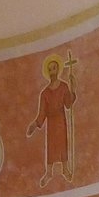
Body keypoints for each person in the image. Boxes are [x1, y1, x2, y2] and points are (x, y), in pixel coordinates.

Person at [26, 52, 76, 187]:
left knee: (62, 144)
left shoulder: (64, 86)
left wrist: (73, 89)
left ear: (58, 69)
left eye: (54, 68)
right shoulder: (45, 93)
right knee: (51, 146)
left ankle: (65, 169)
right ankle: (49, 173)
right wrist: (34, 125)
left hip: (61, 120)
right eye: (49, 69)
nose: (52, 71)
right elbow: (42, 113)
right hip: (51, 122)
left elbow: (68, 104)